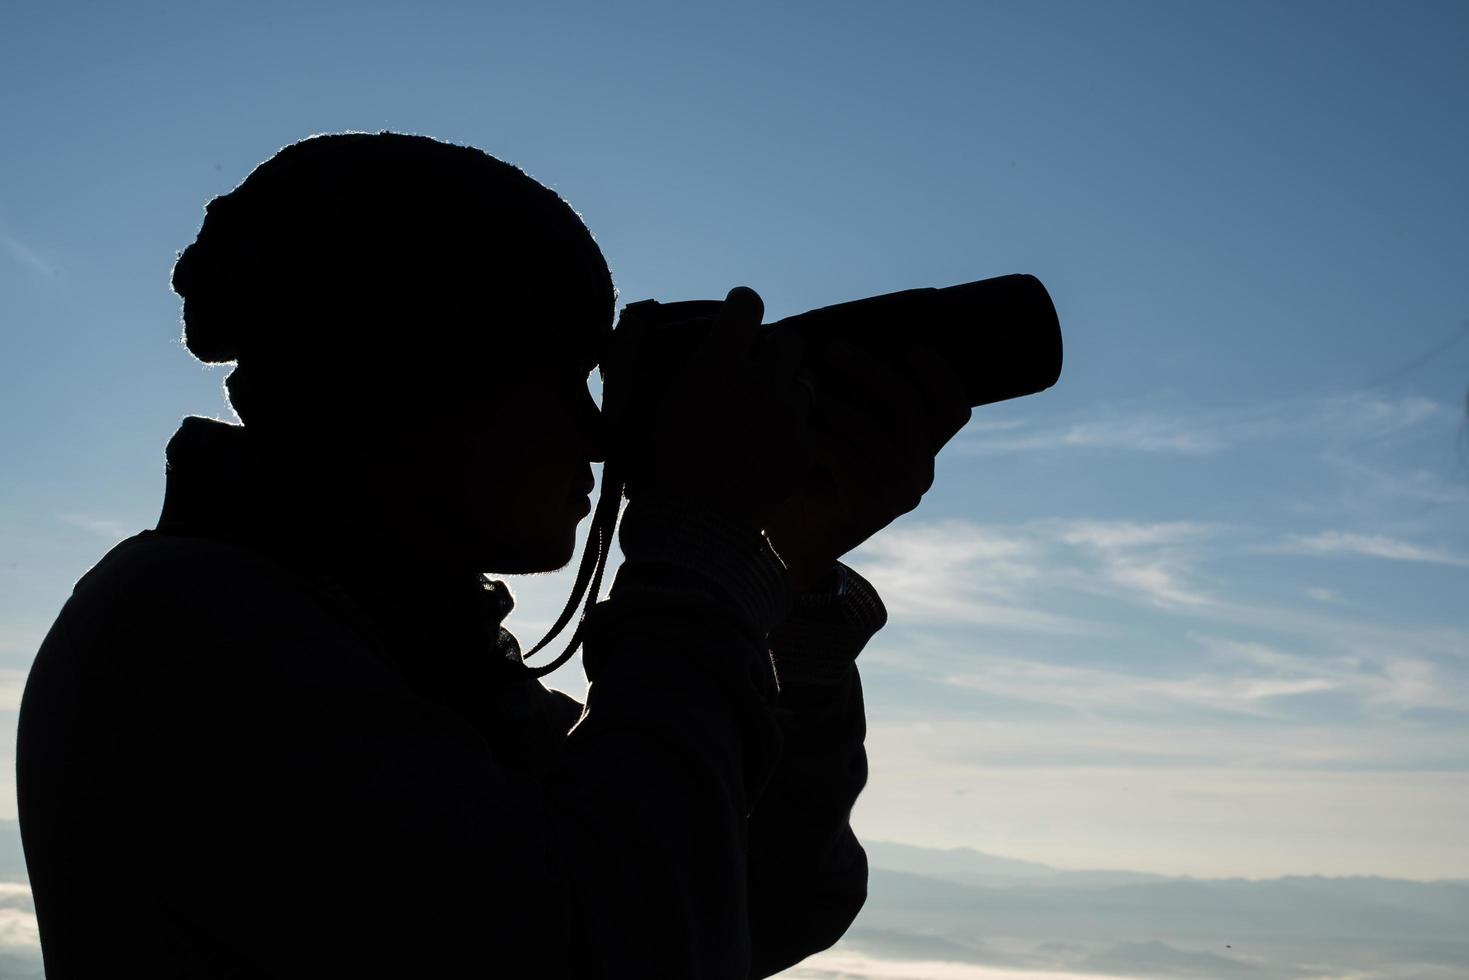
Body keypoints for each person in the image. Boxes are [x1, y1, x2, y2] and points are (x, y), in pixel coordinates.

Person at [16, 132, 971, 977]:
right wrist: (702, 549)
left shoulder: (401, 644)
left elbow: (756, 904)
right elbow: (620, 947)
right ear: (408, 379)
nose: (598, 436)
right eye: (558, 379)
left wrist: (785, 576)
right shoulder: (192, 628)